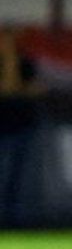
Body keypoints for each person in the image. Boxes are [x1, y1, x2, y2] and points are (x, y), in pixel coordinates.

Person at [0, 27, 43, 228]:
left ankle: (13, 221)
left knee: (18, 178)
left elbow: (36, 89)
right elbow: (9, 88)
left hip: (22, 127)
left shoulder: (25, 62)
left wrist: (16, 89)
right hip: (3, 127)